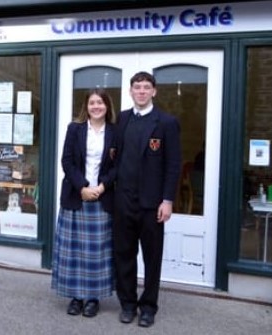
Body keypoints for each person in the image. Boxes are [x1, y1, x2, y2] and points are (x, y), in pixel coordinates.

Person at [113, 71, 181, 328]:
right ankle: (128, 304)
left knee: (152, 258)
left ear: (154, 91)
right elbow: (116, 157)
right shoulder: (122, 119)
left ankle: (148, 307)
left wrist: (167, 200)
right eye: (137, 87)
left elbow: (173, 165)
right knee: (124, 255)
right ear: (130, 91)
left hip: (152, 205)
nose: (141, 91)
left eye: (146, 87)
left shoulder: (166, 122)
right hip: (124, 200)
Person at [51, 89, 117, 318]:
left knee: (97, 252)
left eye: (100, 102)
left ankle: (93, 298)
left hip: (102, 197)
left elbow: (118, 166)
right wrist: (82, 187)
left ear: (107, 106)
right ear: (86, 107)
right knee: (75, 250)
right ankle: (76, 297)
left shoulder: (115, 132)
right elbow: (66, 161)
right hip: (76, 196)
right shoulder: (75, 129)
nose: (96, 106)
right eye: (92, 103)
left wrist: (101, 187)